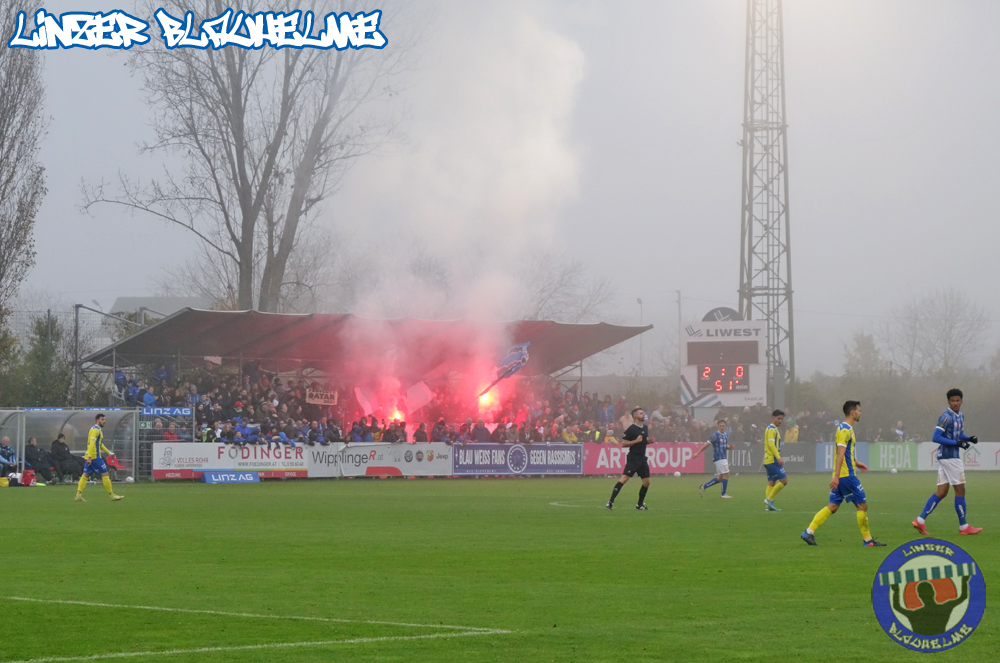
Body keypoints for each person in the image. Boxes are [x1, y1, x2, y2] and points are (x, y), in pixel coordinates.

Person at [800, 401, 884, 546]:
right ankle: (868, 540)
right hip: (847, 476)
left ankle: (809, 532)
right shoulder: (845, 430)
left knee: (833, 506)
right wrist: (837, 476)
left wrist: (856, 462)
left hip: (842, 474)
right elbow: (840, 454)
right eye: (859, 410)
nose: (860, 413)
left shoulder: (845, 429)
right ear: (852, 412)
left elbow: (845, 454)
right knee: (862, 505)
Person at [912, 388, 983, 536]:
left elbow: (958, 434)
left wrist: (968, 438)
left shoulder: (960, 416)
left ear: (961, 401)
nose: (955, 403)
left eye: (957, 400)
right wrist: (957, 443)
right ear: (948, 401)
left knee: (942, 491)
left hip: (946, 457)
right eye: (952, 401)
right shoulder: (946, 417)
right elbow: (936, 437)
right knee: (960, 490)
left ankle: (920, 520)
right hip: (950, 457)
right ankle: (964, 527)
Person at [606, 407, 650, 511]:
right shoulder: (631, 429)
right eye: (641, 413)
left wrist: (648, 441)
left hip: (642, 459)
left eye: (643, 413)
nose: (643, 415)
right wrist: (635, 441)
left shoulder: (645, 428)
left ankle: (639, 505)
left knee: (647, 482)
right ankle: (610, 502)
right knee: (624, 478)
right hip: (633, 458)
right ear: (635, 416)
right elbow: (624, 444)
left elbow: (643, 442)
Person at [891, 577, 970, 636]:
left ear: (919, 596)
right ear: (933, 592)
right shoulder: (944, 608)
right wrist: (964, 581)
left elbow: (897, 607)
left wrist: (896, 590)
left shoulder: (915, 614)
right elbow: (963, 597)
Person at [75, 413, 124, 502]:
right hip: (95, 457)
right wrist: (90, 457)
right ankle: (111, 495)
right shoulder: (96, 430)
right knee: (105, 474)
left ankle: (78, 494)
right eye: (102, 419)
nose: (104, 421)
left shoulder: (96, 429)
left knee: (85, 475)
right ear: (97, 420)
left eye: (104, 419)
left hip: (91, 456)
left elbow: (99, 444)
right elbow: (92, 444)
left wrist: (109, 452)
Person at [695, 419, 734, 498]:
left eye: (723, 426)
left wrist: (729, 447)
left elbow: (724, 445)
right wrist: (698, 453)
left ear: (726, 427)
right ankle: (723, 494)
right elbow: (706, 445)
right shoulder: (715, 435)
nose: (722, 427)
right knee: (726, 474)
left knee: (720, 478)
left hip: (723, 457)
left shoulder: (725, 435)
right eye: (720, 426)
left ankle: (704, 487)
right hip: (719, 458)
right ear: (718, 426)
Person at [763, 409, 787, 512]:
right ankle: (769, 500)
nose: (780, 421)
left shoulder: (772, 428)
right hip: (772, 460)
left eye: (781, 419)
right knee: (784, 481)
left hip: (768, 460)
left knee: (771, 482)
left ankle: (768, 506)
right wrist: (778, 457)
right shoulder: (772, 429)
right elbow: (771, 445)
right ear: (773, 418)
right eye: (778, 418)